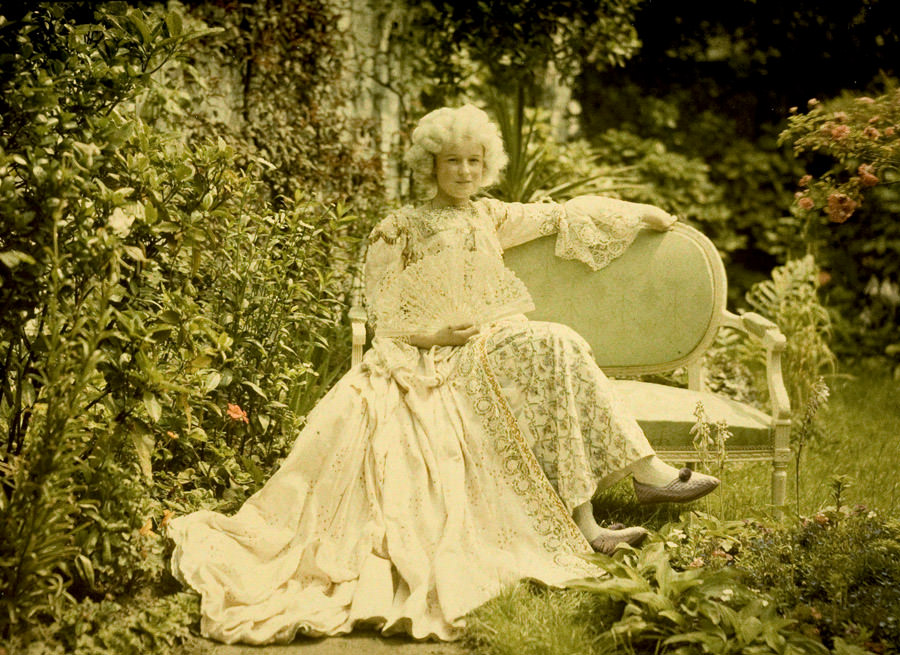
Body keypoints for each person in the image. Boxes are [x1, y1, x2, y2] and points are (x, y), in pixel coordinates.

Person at [167, 104, 719, 645]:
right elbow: (384, 317)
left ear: (487, 166)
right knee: (556, 346)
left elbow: (562, 215)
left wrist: (641, 212)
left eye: (475, 162)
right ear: (430, 164)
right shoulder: (400, 227)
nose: (465, 173)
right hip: (437, 357)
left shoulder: (490, 216)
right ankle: (600, 515)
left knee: (560, 343)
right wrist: (436, 336)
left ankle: (619, 495)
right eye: (453, 161)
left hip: (494, 341)